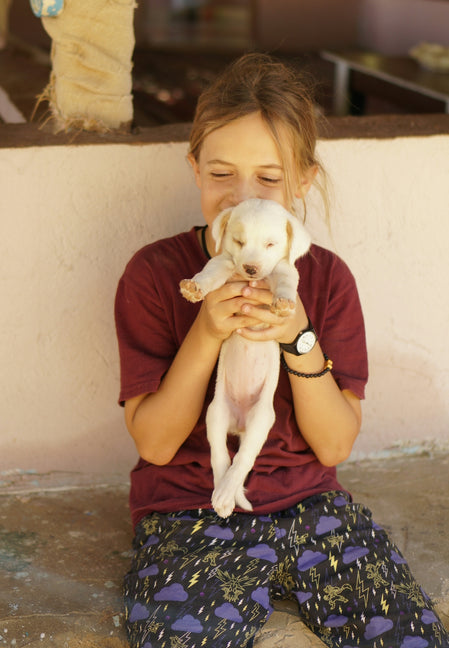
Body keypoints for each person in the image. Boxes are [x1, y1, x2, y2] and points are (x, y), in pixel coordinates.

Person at [115, 53, 449, 648]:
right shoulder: (155, 274)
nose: (242, 196)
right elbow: (156, 441)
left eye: (268, 179)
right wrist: (207, 332)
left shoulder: (326, 279)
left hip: (312, 500)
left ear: (302, 182)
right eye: (221, 174)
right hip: (190, 507)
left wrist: (297, 334)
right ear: (194, 169)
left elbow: (336, 442)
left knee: (406, 635)